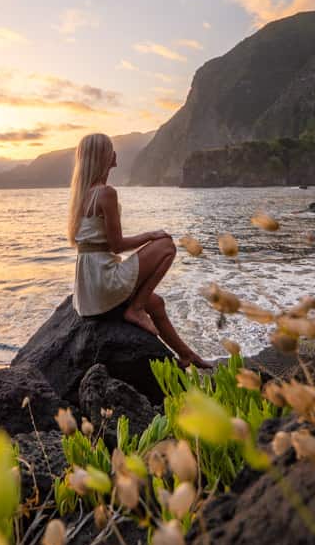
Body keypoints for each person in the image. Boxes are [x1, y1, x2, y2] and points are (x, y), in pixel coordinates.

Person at [68, 132, 212, 369]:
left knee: (156, 304)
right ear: (103, 157)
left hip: (88, 292)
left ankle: (188, 356)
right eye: (110, 149)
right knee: (166, 245)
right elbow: (117, 245)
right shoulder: (106, 193)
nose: (115, 154)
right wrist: (150, 235)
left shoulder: (81, 194)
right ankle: (135, 309)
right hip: (104, 282)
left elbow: (100, 246)